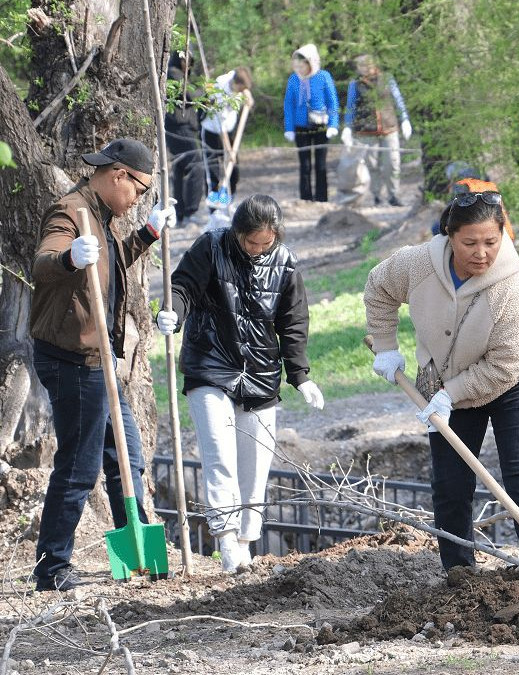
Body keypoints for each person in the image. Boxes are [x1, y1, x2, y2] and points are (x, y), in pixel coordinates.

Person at [363, 188, 519, 572]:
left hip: (514, 384)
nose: (481, 253)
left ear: (503, 236)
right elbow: (379, 287)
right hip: (443, 383)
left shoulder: (512, 290)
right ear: (450, 235)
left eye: (491, 242)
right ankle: (459, 575)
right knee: (450, 486)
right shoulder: (418, 265)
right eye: (470, 243)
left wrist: (453, 393)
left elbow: (505, 363)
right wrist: (385, 345)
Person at [29, 138, 176, 591]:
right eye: (139, 190)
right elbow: (42, 264)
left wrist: (148, 234)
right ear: (118, 175)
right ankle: (52, 566)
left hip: (99, 360)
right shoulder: (70, 212)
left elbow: (106, 269)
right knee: (79, 463)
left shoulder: (104, 216)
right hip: (72, 359)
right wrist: (68, 258)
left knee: (127, 458)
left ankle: (134, 554)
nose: (138, 200)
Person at [154, 194, 322, 572]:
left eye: (267, 243)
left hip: (261, 374)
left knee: (256, 463)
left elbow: (293, 323)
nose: (258, 250)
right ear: (237, 233)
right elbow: (181, 287)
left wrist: (300, 376)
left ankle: (246, 541)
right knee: (218, 456)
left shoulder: (285, 262)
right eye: (251, 243)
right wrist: (171, 313)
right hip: (210, 363)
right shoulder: (211, 247)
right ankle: (226, 541)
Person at [343, 54, 413, 207]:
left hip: (389, 127)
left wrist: (405, 119)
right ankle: (376, 196)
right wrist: (347, 128)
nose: (364, 69)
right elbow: (351, 107)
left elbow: (398, 100)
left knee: (392, 163)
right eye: (360, 66)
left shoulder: (387, 78)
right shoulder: (355, 84)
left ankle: (393, 194)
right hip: (366, 131)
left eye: (366, 65)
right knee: (372, 165)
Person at [283, 44, 339, 202]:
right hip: (301, 128)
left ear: (311, 63)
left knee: (321, 165)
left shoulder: (323, 76)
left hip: (321, 126)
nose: (300, 69)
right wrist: (289, 128)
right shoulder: (293, 79)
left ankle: (322, 199)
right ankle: (305, 199)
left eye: (303, 65)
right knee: (305, 165)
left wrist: (333, 125)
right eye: (297, 66)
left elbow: (332, 102)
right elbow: (289, 105)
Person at [164, 49, 207, 225]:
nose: (187, 64)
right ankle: (191, 210)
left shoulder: (180, 76)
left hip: (182, 128)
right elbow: (188, 95)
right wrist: (205, 90)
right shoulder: (173, 74)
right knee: (196, 165)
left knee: (181, 169)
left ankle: (181, 213)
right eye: (185, 61)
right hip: (179, 129)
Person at [201, 66, 253, 205]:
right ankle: (213, 205)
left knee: (234, 166)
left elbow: (243, 84)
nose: (241, 92)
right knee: (212, 169)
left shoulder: (234, 77)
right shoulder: (220, 90)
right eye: (240, 89)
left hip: (230, 128)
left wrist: (248, 95)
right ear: (235, 84)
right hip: (212, 129)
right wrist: (229, 150)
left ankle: (228, 199)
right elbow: (220, 126)